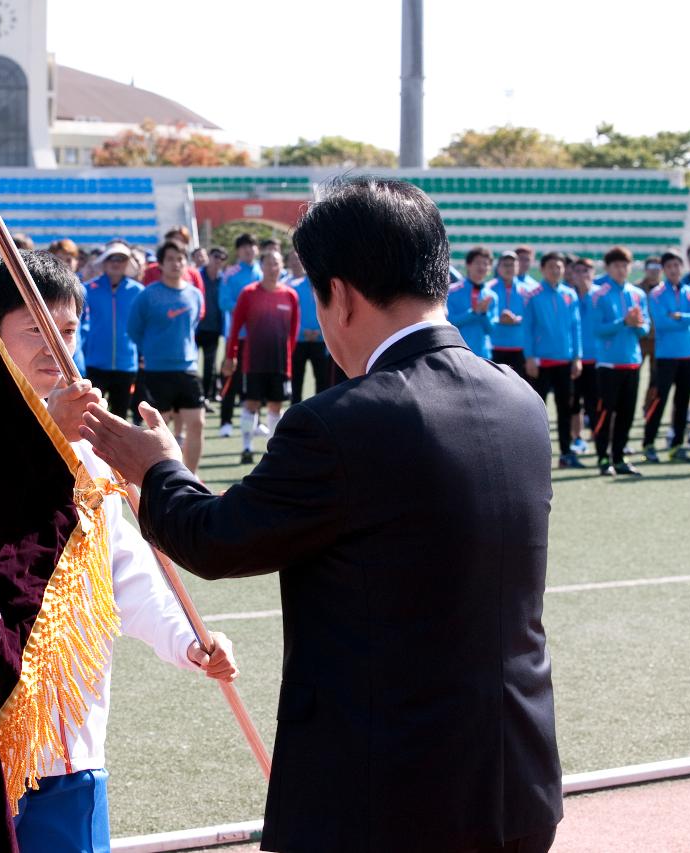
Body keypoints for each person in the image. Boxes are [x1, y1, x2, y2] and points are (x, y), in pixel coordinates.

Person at [80, 177, 562, 853]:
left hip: (387, 799)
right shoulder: (519, 401)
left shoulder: (344, 422)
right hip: (518, 782)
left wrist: (158, 469)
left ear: (340, 295)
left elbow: (217, 540)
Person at [0, 250, 237, 853]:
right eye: (35, 330)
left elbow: (127, 575)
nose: (56, 348)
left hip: (68, 744)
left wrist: (187, 642)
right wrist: (41, 439)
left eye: (65, 330)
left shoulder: (89, 451)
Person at [127, 241, 206, 473]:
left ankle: (191, 478)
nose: (176, 263)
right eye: (170, 259)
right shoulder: (147, 295)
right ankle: (159, 477)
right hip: (157, 371)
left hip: (187, 368)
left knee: (197, 423)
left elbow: (194, 324)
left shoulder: (194, 294)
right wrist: (150, 351)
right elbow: (133, 329)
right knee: (159, 430)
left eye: (180, 258)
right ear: (160, 264)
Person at [223, 247, 299, 465]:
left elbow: (293, 331)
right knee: (251, 404)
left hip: (279, 363)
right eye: (268, 263)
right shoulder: (248, 293)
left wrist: (288, 356)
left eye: (276, 263)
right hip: (253, 361)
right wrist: (231, 355)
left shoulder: (289, 295)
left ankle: (273, 450)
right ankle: (246, 448)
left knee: (276, 406)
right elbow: (235, 327)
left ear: (281, 267)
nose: (272, 268)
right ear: (261, 266)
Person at [591, 246, 651, 476]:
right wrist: (622, 322)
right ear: (608, 268)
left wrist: (637, 325)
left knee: (627, 413)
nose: (621, 269)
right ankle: (603, 458)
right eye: (616, 265)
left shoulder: (638, 294)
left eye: (625, 265)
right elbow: (597, 329)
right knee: (606, 413)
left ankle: (619, 458)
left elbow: (645, 329)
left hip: (632, 362)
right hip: (608, 364)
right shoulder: (599, 294)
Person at [522, 252, 584, 468]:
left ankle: (566, 453)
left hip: (565, 362)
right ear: (542, 269)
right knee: (538, 411)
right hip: (541, 363)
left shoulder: (570, 294)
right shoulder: (533, 295)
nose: (555, 270)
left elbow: (576, 327)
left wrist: (577, 357)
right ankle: (536, 456)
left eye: (559, 266)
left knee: (565, 409)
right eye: (551, 267)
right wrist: (529, 357)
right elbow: (527, 329)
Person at [642, 250, 690, 462]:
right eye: (669, 266)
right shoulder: (657, 293)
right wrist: (686, 319)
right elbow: (662, 322)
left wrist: (680, 317)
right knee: (660, 401)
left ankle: (676, 446)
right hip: (666, 356)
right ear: (664, 270)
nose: (674, 270)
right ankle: (648, 443)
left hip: (688, 355)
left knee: (682, 402)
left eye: (677, 265)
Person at [81, 241, 143, 421]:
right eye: (111, 258)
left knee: (120, 418)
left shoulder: (138, 291)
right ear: (104, 261)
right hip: (95, 363)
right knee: (90, 414)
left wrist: (142, 355)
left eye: (121, 259)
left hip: (126, 364)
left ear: (128, 264)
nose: (116, 263)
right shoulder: (88, 290)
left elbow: (143, 325)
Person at [217, 233, 263, 437]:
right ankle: (225, 421)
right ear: (238, 250)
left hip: (259, 336)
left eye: (252, 246)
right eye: (245, 247)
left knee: (257, 377)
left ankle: (257, 421)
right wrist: (246, 310)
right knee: (232, 377)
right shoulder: (230, 273)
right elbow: (224, 302)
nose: (249, 250)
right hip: (237, 335)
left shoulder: (262, 272)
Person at [286, 250, 331, 403]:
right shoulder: (293, 286)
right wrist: (302, 331)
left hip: (321, 341)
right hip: (299, 341)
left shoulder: (327, 287)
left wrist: (319, 332)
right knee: (296, 381)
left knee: (323, 382)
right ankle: (295, 414)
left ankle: (322, 413)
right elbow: (289, 315)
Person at [569, 257, 600, 454]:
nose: (583, 275)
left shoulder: (600, 295)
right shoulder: (567, 295)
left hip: (598, 358)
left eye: (587, 271)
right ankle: (577, 438)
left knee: (597, 402)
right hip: (575, 359)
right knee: (574, 402)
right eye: (579, 271)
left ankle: (600, 437)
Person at [446, 246, 499, 359]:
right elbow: (449, 322)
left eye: (486, 264)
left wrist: (484, 314)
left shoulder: (492, 296)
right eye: (478, 262)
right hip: (458, 354)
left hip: (483, 356)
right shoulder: (452, 292)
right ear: (468, 265)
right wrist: (473, 313)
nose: (482, 267)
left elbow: (491, 329)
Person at [489, 250, 531, 378]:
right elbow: (486, 315)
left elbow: (532, 318)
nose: (509, 268)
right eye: (505, 265)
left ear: (518, 267)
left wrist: (517, 319)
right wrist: (499, 320)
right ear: (499, 268)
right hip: (495, 347)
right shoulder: (488, 288)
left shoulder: (528, 290)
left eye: (512, 265)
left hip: (519, 347)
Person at [196, 246, 228, 403]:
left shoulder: (224, 279)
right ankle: (195, 394)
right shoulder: (197, 276)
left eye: (222, 258)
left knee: (210, 365)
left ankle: (206, 397)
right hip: (195, 328)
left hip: (214, 328)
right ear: (209, 256)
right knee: (192, 365)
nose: (218, 261)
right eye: (216, 256)